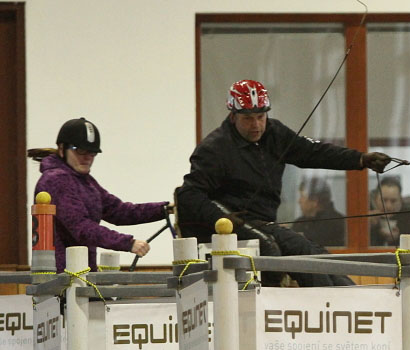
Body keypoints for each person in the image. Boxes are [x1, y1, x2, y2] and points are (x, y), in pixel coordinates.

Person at [175, 79, 390, 287]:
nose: (257, 125)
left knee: (315, 253)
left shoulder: (275, 133)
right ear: (233, 116)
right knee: (294, 250)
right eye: (248, 119)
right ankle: (332, 303)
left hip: (265, 223)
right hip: (236, 225)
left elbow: (314, 152)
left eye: (261, 116)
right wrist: (222, 218)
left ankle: (357, 300)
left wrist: (361, 159)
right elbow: (188, 196)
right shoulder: (214, 149)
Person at [28, 117, 170, 272]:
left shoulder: (85, 182)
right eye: (80, 150)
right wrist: (127, 243)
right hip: (62, 279)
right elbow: (81, 227)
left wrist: (165, 209)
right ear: (62, 149)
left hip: (79, 274)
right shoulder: (56, 180)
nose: (87, 157)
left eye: (92, 152)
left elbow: (119, 211)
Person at [368, 176, 410, 246]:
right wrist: (369, 227)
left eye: (393, 201)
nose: (388, 206)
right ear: (375, 199)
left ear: (400, 200)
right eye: (383, 200)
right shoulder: (369, 217)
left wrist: (398, 239)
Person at [292, 178, 345, 247]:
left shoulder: (338, 225)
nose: (299, 201)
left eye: (302, 196)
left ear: (314, 201)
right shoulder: (299, 224)